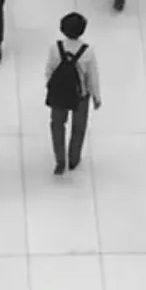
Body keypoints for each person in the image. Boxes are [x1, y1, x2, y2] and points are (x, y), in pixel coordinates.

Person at [45, 13, 101, 176]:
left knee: (57, 124)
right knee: (79, 127)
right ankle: (74, 158)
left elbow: (49, 70)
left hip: (59, 94)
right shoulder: (88, 51)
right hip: (81, 95)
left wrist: (52, 86)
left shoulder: (55, 48)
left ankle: (60, 160)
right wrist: (96, 96)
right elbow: (93, 75)